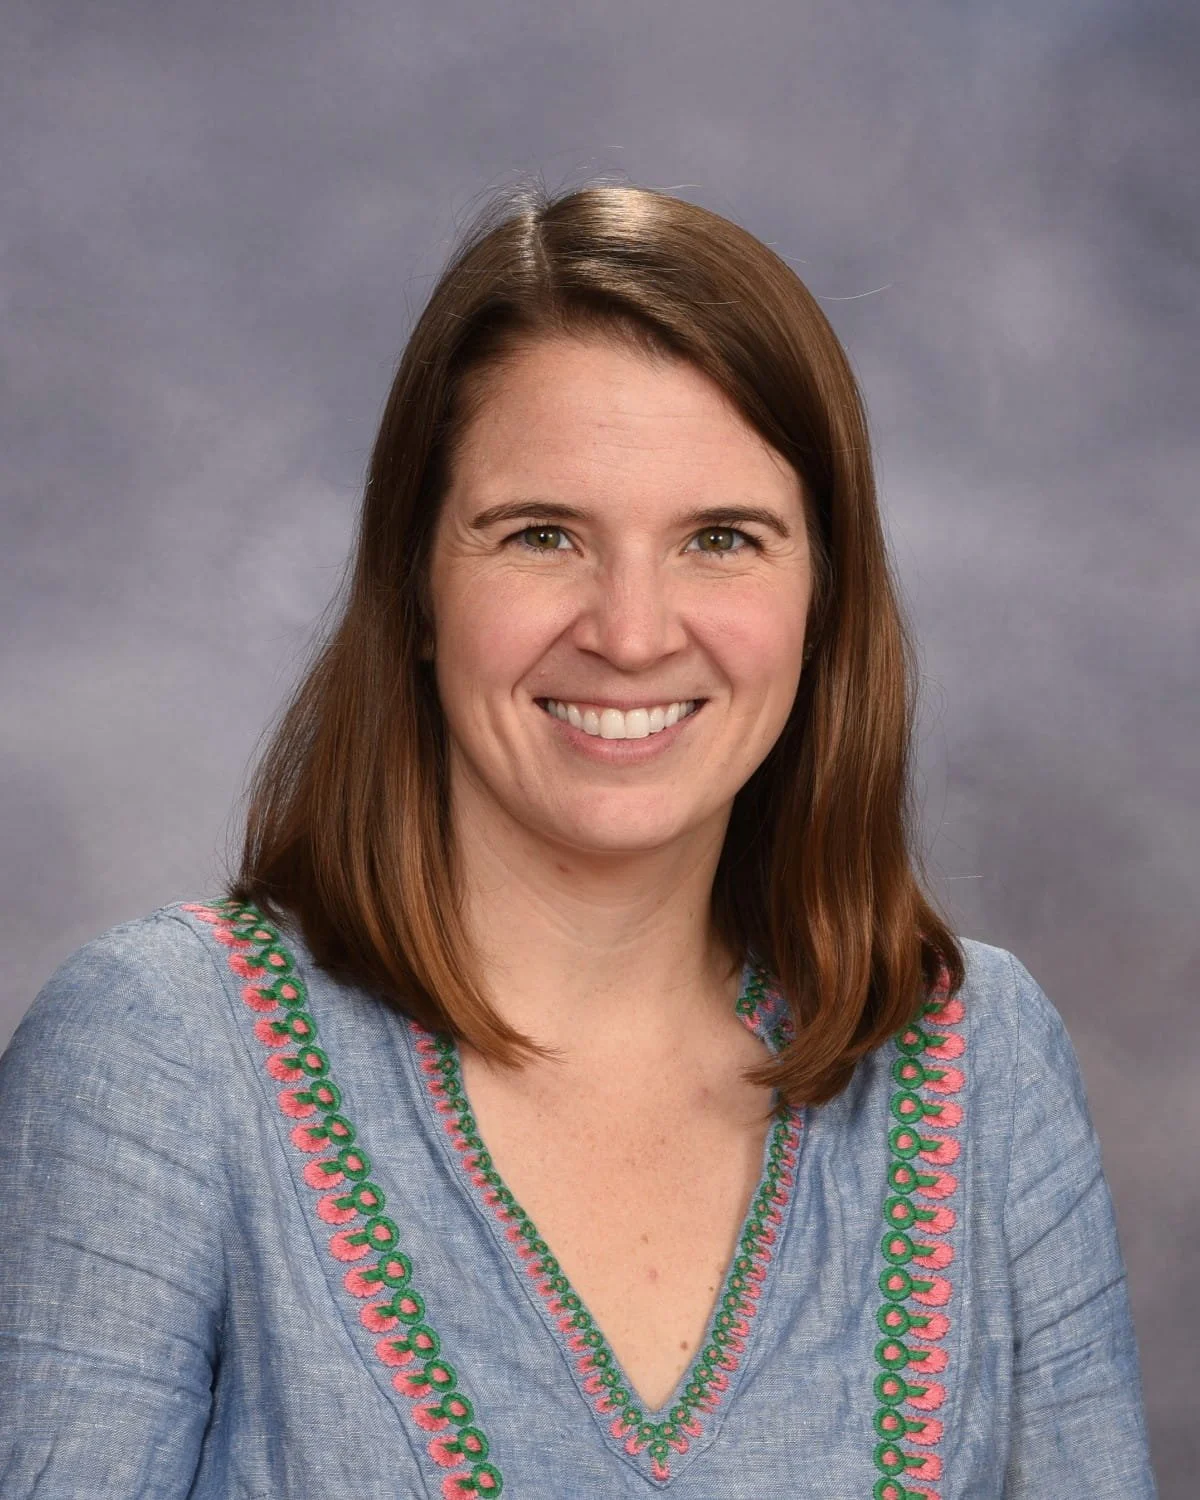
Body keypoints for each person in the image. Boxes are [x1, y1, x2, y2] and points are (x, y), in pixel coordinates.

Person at [0, 181, 1156, 1499]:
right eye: (541, 535)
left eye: (722, 539)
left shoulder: (977, 1060)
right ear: (418, 585)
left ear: (824, 599)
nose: (631, 630)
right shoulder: (161, 1053)